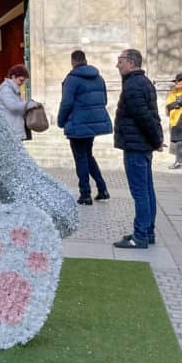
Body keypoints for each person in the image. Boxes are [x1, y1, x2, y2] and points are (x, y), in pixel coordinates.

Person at [113, 49, 163, 249]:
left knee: (141, 192)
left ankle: (140, 236)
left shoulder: (133, 85)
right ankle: (147, 231)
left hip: (136, 146)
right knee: (147, 190)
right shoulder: (143, 82)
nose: (118, 65)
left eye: (120, 61)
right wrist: (156, 140)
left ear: (132, 63)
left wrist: (157, 140)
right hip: (143, 145)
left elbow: (144, 117)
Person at [57, 49, 111, 205]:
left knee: (81, 158)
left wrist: (61, 121)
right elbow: (104, 100)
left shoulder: (72, 79)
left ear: (73, 62)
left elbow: (66, 103)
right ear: (85, 60)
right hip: (93, 125)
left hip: (77, 125)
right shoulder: (99, 78)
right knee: (88, 156)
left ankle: (85, 194)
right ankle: (102, 189)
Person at [0, 64, 37, 143]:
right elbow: (13, 106)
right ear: (13, 77)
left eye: (24, 81)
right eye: (21, 80)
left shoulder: (13, 89)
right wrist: (29, 104)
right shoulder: (6, 89)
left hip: (13, 129)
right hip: (10, 130)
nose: (22, 83)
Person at [165, 72, 182, 169]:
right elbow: (168, 106)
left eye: (180, 81)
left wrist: (177, 103)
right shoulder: (173, 92)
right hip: (174, 120)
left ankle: (179, 162)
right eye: (177, 81)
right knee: (178, 141)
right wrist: (178, 103)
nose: (178, 83)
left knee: (180, 140)